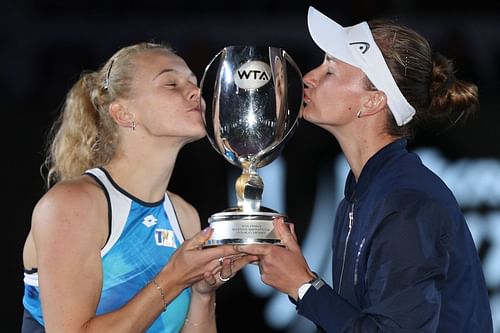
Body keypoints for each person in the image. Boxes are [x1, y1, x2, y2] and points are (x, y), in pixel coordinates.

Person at [235, 6, 493, 333]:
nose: (309, 77)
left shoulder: (405, 203)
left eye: (330, 71)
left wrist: (302, 286)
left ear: (372, 102)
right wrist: (302, 285)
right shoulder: (362, 195)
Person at [21, 42, 257, 333]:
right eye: (171, 84)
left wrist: (202, 292)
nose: (195, 92)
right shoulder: (72, 205)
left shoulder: (184, 215)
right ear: (123, 114)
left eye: (194, 84)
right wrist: (174, 278)